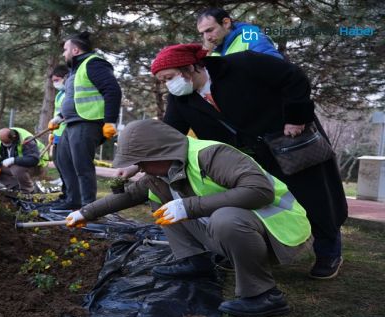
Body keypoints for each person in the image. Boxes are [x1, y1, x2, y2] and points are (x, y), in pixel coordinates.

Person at [66, 119, 312, 317]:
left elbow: (260, 191)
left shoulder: (212, 155)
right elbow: (128, 196)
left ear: (159, 153)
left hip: (277, 231)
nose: (139, 168)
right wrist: (85, 213)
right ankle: (194, 261)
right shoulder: (163, 172)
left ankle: (264, 295)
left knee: (225, 218)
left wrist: (190, 206)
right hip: (240, 232)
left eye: (142, 162)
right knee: (161, 202)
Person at [144, 43, 346, 279]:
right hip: (251, 158)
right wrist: (141, 158)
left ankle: (328, 251)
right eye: (163, 81)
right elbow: (171, 133)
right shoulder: (182, 100)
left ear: (190, 67)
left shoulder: (243, 64)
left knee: (316, 196)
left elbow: (294, 78)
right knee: (261, 202)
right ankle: (251, 252)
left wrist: (296, 117)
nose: (169, 85)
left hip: (290, 141)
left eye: (169, 77)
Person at [50, 31, 122, 213]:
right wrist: (59, 118)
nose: (63, 54)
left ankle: (88, 207)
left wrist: (110, 121)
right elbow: (72, 99)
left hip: (87, 122)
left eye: (65, 49)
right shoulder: (75, 71)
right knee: (63, 161)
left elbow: (112, 90)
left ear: (75, 50)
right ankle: (72, 200)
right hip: (72, 123)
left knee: (82, 165)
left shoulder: (94, 64)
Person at [197, 8, 282, 58]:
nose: (207, 37)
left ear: (226, 23)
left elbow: (275, 66)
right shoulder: (215, 52)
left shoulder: (250, 34)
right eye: (202, 33)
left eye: (209, 30)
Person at [0, 127, 48, 193]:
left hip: (37, 166)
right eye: (3, 143)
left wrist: (13, 160)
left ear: (14, 137)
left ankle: (28, 191)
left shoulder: (27, 140)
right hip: (15, 165)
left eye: (7, 143)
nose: (5, 145)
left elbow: (33, 160)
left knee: (16, 169)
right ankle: (16, 187)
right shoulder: (0, 138)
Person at [47, 65, 69, 201]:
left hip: (67, 132)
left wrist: (58, 120)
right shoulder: (60, 94)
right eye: (53, 81)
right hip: (58, 133)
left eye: (57, 80)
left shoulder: (69, 93)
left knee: (65, 164)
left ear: (65, 77)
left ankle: (69, 194)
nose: (55, 83)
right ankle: (65, 191)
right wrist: (53, 133)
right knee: (57, 161)